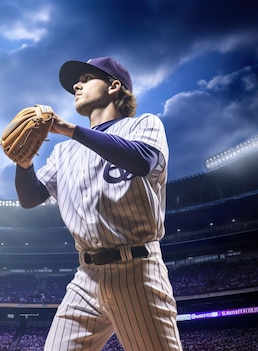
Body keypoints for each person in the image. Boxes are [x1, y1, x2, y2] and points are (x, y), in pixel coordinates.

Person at [14, 57, 183, 351]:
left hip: (137, 271)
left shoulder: (143, 125)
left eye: (87, 78)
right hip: (86, 277)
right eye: (75, 83)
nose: (76, 85)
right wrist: (24, 162)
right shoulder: (64, 152)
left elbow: (143, 161)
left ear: (114, 87)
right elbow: (30, 199)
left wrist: (70, 129)